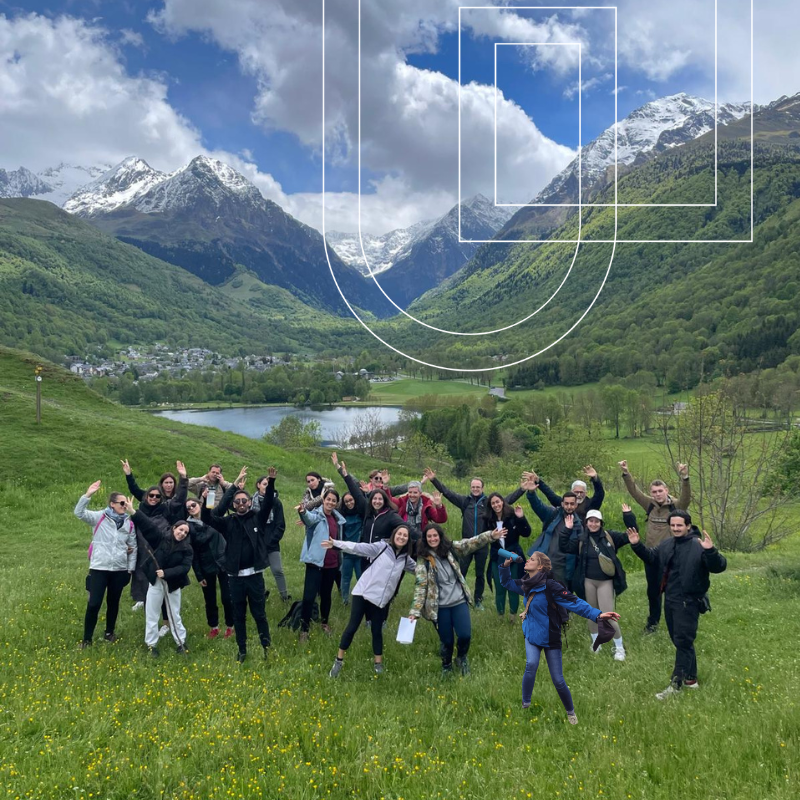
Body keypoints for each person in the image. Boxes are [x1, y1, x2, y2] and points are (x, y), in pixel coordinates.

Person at [499, 551, 620, 720]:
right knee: (531, 664)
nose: (528, 560)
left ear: (540, 566)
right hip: (532, 634)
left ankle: (571, 713)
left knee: (558, 680)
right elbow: (506, 582)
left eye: (532, 559)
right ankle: (525, 705)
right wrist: (505, 565)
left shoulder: (552, 587)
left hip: (550, 637)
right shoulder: (526, 584)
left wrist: (598, 615)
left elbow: (576, 603)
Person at [627, 510, 726, 699]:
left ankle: (676, 685)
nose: (675, 528)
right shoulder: (667, 544)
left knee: (683, 641)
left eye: (679, 525)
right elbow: (651, 558)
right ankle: (691, 679)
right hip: (670, 599)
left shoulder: (699, 545)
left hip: (689, 601)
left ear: (688, 526)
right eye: (672, 525)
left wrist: (710, 551)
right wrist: (636, 545)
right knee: (680, 641)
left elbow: (719, 566)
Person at [409, 522, 504, 676]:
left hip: (459, 602)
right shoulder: (423, 560)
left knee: (465, 635)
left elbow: (470, 543)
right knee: (446, 641)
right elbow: (421, 586)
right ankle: (446, 665)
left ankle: (461, 658)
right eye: (429, 536)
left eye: (435, 535)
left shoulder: (451, 549)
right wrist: (415, 611)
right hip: (440, 606)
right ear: (425, 539)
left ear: (440, 536)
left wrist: (490, 536)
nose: (433, 539)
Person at [425, 467, 524, 611]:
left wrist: (522, 489)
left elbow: (507, 499)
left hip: (483, 544)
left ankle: (478, 599)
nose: (475, 489)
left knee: (480, 573)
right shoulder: (465, 501)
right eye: (473, 487)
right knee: (461, 571)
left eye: (478, 487)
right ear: (470, 488)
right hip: (465, 544)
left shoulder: (488, 503)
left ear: (482, 488)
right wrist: (434, 479)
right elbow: (447, 493)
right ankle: (461, 597)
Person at [326, 524, 416, 677]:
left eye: (405, 536)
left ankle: (378, 664)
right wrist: (336, 543)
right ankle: (338, 661)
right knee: (352, 627)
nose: (401, 537)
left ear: (408, 540)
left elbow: (421, 571)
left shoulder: (405, 559)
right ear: (394, 535)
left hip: (381, 600)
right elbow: (358, 547)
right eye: (399, 534)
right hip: (363, 593)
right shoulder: (381, 547)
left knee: (377, 631)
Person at [211, 466, 277, 663]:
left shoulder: (257, 516)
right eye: (237, 501)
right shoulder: (228, 521)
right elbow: (211, 516)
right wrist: (232, 487)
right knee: (239, 616)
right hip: (235, 578)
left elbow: (269, 503)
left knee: (259, 614)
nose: (241, 503)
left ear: (250, 503)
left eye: (244, 500)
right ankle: (242, 650)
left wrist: (271, 481)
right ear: (234, 504)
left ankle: (267, 647)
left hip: (255, 576)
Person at [619, 460, 691, 633]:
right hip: (651, 556)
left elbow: (686, 498)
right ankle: (653, 623)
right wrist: (626, 473)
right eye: (654, 492)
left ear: (666, 491)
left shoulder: (676, 506)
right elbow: (634, 492)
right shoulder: (649, 504)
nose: (657, 494)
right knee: (653, 592)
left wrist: (685, 477)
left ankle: (679, 621)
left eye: (660, 491)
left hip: (672, 555)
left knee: (674, 591)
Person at [559, 506, 634, 661]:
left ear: (601, 522)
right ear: (586, 522)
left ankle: (619, 648)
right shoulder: (581, 539)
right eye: (590, 521)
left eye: (596, 521)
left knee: (608, 615)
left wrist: (628, 515)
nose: (593, 524)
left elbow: (632, 533)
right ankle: (596, 643)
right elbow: (564, 546)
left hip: (605, 582)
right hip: (588, 582)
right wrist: (567, 529)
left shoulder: (610, 536)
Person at [125, 499, 193, 657]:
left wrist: (166, 574)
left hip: (173, 585)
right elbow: (148, 526)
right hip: (155, 584)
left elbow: (184, 568)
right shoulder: (161, 539)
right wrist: (133, 511)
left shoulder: (187, 549)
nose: (182, 533)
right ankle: (151, 645)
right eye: (180, 530)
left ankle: (181, 643)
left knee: (174, 614)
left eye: (185, 532)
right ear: (174, 528)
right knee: (152, 613)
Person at [74, 481, 137, 649]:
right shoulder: (100, 517)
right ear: (112, 504)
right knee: (94, 603)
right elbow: (79, 513)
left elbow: (133, 546)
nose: (125, 506)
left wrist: (129, 569)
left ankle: (109, 633)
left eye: (126, 503)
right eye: (122, 503)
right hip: (99, 568)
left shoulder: (128, 523)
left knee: (113, 602)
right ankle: (87, 640)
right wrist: (87, 495)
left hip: (119, 569)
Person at [122, 459, 188, 611]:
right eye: (151, 496)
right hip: (142, 539)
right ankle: (140, 598)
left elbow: (178, 500)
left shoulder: (164, 508)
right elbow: (134, 489)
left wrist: (183, 479)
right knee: (140, 568)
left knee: (158, 568)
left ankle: (162, 597)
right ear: (146, 497)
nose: (154, 498)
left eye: (157, 497)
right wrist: (129, 474)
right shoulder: (141, 508)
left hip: (159, 541)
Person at [297, 488, 344, 643]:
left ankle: (324, 623)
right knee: (309, 596)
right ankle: (304, 629)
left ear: (336, 504)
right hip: (315, 563)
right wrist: (303, 512)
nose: (330, 502)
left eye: (333, 500)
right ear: (323, 500)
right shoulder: (317, 515)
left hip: (331, 564)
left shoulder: (338, 519)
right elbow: (308, 519)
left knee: (326, 596)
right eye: (328, 499)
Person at [185, 492, 233, 639]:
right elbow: (192, 553)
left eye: (193, 505)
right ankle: (214, 627)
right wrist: (199, 575)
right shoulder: (188, 527)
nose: (191, 508)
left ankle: (231, 626)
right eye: (188, 508)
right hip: (206, 566)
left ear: (199, 505)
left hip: (223, 561)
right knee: (210, 599)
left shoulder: (213, 518)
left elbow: (225, 502)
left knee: (227, 597)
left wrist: (234, 485)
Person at [525, 477, 581, 585]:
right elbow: (538, 506)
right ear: (562, 504)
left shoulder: (579, 525)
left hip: (563, 568)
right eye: (566, 503)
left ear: (576, 505)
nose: (569, 506)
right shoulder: (553, 515)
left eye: (572, 504)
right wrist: (531, 493)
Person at [484, 493, 531, 621]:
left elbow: (527, 533)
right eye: (493, 503)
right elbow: (483, 537)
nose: (496, 505)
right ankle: (500, 617)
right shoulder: (488, 519)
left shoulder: (512, 516)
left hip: (513, 555)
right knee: (499, 587)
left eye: (498, 502)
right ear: (490, 506)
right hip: (497, 556)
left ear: (503, 502)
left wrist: (521, 518)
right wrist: (492, 535)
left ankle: (512, 617)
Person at [252, 475, 291, 603]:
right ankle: (261, 593)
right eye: (264, 484)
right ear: (258, 485)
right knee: (258, 571)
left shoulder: (276, 502)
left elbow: (280, 524)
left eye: (268, 485)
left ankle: (284, 596)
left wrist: (272, 540)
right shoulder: (251, 502)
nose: (266, 487)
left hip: (272, 542)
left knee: (277, 570)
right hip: (257, 542)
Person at [528, 465, 605, 523]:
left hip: (585, 538)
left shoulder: (590, 504)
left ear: (586, 493)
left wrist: (595, 479)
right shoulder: (565, 503)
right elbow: (550, 495)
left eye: (581, 492)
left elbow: (600, 494)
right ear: (571, 492)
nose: (578, 495)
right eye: (576, 492)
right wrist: (538, 482)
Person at [338, 491, 364, 605]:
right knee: (345, 578)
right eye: (346, 501)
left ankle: (362, 600)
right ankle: (345, 601)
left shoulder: (362, 514)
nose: (349, 503)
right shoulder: (341, 516)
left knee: (361, 578)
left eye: (351, 500)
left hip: (359, 552)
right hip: (347, 552)